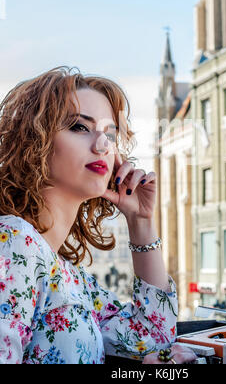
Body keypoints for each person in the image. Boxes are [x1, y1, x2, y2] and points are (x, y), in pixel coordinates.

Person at [0, 67, 197, 365]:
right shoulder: (14, 241)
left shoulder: (69, 276)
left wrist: (140, 221)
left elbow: (154, 335)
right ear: (34, 141)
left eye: (111, 133)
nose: (103, 145)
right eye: (80, 127)